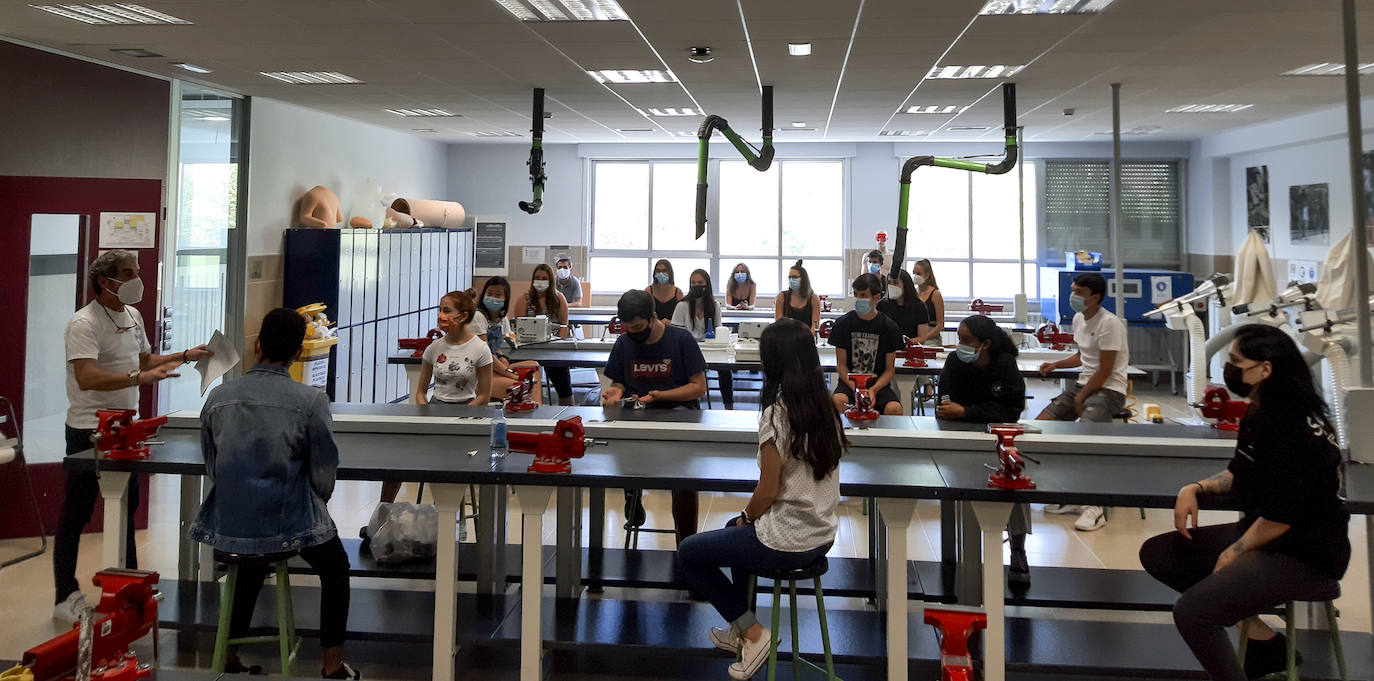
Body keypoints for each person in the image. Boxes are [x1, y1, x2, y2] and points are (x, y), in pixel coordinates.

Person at [1139, 325, 1349, 681]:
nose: (1230, 367)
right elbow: (1239, 470)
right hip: (1269, 535)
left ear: (1265, 370)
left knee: (1193, 613)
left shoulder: (1292, 424)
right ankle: (1264, 644)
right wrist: (1196, 488)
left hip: (1305, 554)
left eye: (1236, 361)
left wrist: (1236, 550)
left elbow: (1282, 516)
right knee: (1163, 555)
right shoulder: (1263, 411)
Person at [191, 309, 358, 679]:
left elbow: (213, 465)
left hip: (231, 523)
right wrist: (315, 505)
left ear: (256, 345)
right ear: (298, 354)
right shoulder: (311, 401)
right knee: (336, 568)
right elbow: (323, 473)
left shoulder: (219, 397)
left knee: (251, 556)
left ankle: (230, 659)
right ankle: (332, 666)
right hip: (287, 523)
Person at [678, 318, 846, 681]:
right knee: (732, 530)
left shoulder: (777, 414)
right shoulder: (828, 408)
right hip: (822, 535)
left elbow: (767, 491)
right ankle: (742, 628)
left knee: (689, 553)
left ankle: (755, 634)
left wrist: (746, 515)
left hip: (786, 539)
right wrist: (743, 520)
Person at [54, 249, 212, 622]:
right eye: (128, 273)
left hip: (127, 428)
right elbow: (86, 376)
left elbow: (142, 361)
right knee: (76, 514)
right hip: (88, 431)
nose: (137, 279)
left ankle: (128, 587)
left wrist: (186, 355)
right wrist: (136, 380)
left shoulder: (133, 315)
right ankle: (65, 595)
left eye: (137, 271)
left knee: (125, 509)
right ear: (104, 281)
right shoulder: (84, 324)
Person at [601, 289, 707, 542]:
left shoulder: (681, 340)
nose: (633, 333)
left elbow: (698, 387)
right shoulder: (624, 343)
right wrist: (615, 392)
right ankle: (631, 493)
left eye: (638, 327)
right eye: (628, 328)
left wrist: (661, 396)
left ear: (653, 317)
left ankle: (686, 542)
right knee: (621, 447)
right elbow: (618, 382)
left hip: (679, 415)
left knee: (683, 480)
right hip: (636, 416)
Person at [935, 314, 1029, 583]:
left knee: (1014, 482)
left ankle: (1018, 549)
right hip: (958, 436)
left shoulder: (1005, 364)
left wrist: (966, 411)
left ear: (985, 344)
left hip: (999, 438)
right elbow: (944, 404)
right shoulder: (954, 362)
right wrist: (961, 413)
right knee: (953, 481)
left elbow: (1012, 409)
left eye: (966, 340)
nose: (959, 345)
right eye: (959, 339)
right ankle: (953, 550)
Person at [378, 291, 493, 505]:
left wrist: (461, 417)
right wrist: (426, 410)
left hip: (468, 414)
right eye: (440, 310)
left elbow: (484, 396)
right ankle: (383, 513)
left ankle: (455, 520)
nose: (441, 315)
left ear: (463, 315)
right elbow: (421, 391)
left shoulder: (480, 349)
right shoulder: (434, 348)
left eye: (447, 311)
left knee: (455, 467)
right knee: (396, 459)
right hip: (436, 410)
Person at [1035, 272, 1130, 532]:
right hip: (1084, 385)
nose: (1073, 296)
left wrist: (1081, 396)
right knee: (1038, 428)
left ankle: (1094, 506)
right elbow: (1082, 355)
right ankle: (1071, 496)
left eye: (1079, 292)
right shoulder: (1079, 318)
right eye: (1073, 290)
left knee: (1085, 439)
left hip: (1109, 389)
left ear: (1095, 297)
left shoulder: (1110, 324)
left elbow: (1105, 370)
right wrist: (1056, 364)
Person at [829, 273, 905, 416]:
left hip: (878, 385)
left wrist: (872, 390)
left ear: (876, 298)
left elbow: (889, 370)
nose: (858, 299)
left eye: (863, 295)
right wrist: (856, 389)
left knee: (894, 409)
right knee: (838, 401)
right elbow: (841, 365)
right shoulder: (842, 324)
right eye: (856, 295)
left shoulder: (889, 327)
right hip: (849, 383)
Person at [472, 277, 543, 404]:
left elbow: (495, 348)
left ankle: (537, 406)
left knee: (534, 366)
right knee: (519, 384)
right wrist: (509, 373)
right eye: (489, 294)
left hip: (495, 368)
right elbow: (485, 354)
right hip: (481, 374)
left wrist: (501, 356)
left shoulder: (502, 319)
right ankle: (530, 410)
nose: (493, 297)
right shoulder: (478, 317)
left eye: (498, 295)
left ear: (505, 298)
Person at [671, 269, 734, 409]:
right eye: (693, 283)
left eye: (700, 283)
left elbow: (719, 329)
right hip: (688, 350)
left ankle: (729, 406)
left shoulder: (715, 306)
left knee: (725, 369)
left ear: (707, 285)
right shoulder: (682, 306)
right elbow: (676, 334)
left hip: (710, 348)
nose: (696, 286)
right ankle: (693, 404)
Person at [513, 264, 574, 405]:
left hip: (553, 349)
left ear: (551, 280)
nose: (540, 281)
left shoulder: (559, 298)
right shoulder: (524, 299)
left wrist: (559, 347)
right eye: (537, 278)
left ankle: (567, 412)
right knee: (525, 381)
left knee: (563, 383)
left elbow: (564, 326)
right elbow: (518, 326)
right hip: (528, 348)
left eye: (544, 278)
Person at [876, 269, 929, 340]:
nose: (891, 286)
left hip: (910, 348)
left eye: (895, 282)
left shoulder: (919, 306)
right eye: (889, 283)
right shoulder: (882, 305)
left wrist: (903, 344)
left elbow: (922, 338)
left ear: (906, 284)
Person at [773, 260, 820, 333]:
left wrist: (808, 338)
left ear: (803, 279)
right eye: (790, 277)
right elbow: (779, 324)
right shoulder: (782, 297)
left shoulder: (813, 298)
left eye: (795, 277)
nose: (792, 280)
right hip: (786, 337)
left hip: (807, 337)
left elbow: (815, 325)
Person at [911, 259, 945, 345]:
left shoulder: (935, 295)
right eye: (914, 273)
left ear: (927, 275)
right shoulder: (913, 294)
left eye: (918, 274)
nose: (915, 276)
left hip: (931, 338)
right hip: (915, 336)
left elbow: (940, 325)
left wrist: (924, 337)